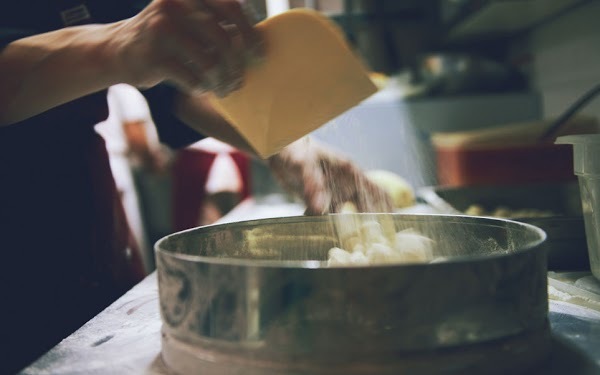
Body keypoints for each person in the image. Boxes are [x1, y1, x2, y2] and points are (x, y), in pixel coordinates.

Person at [0, 0, 393, 372]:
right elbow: (128, 45)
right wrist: (118, 44)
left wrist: (288, 147)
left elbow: (168, 85)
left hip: (85, 210)